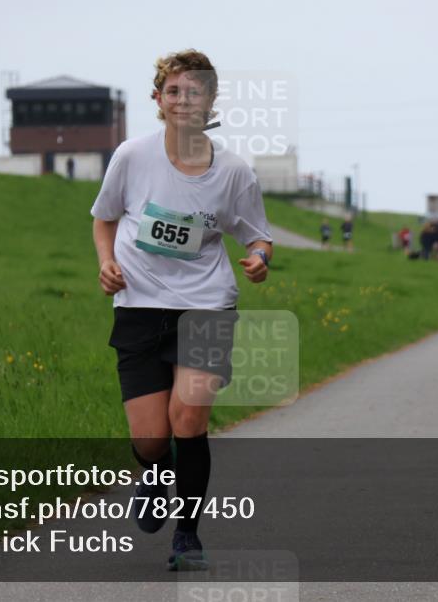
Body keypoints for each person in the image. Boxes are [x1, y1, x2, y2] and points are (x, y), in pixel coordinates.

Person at [90, 49, 273, 571]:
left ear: (210, 101)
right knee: (150, 438)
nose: (183, 99)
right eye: (174, 90)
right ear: (158, 100)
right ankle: (154, 472)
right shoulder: (131, 156)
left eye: (195, 91)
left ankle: (186, 537)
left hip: (207, 307)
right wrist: (106, 262)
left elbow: (257, 235)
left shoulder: (234, 171)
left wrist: (259, 258)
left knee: (188, 419)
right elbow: (104, 218)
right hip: (140, 308)